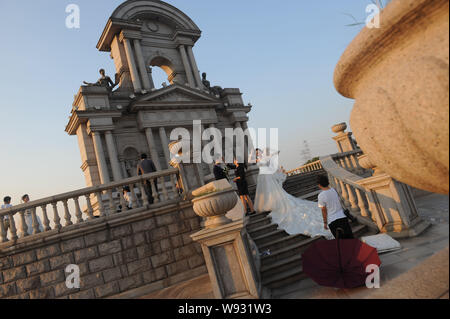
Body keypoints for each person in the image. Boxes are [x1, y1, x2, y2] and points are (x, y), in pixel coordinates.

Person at [254, 148, 332, 238]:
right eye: (257, 153)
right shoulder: (258, 159)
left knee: (275, 192)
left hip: (268, 177)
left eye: (258, 152)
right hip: (263, 178)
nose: (258, 154)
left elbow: (275, 154)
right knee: (268, 191)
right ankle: (268, 204)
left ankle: (273, 204)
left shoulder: (265, 158)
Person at [317, 175, 354, 239]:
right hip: (343, 217)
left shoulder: (321, 196)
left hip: (333, 221)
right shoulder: (334, 190)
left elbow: (323, 210)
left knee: (341, 242)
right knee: (350, 238)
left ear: (319, 185)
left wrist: (325, 222)